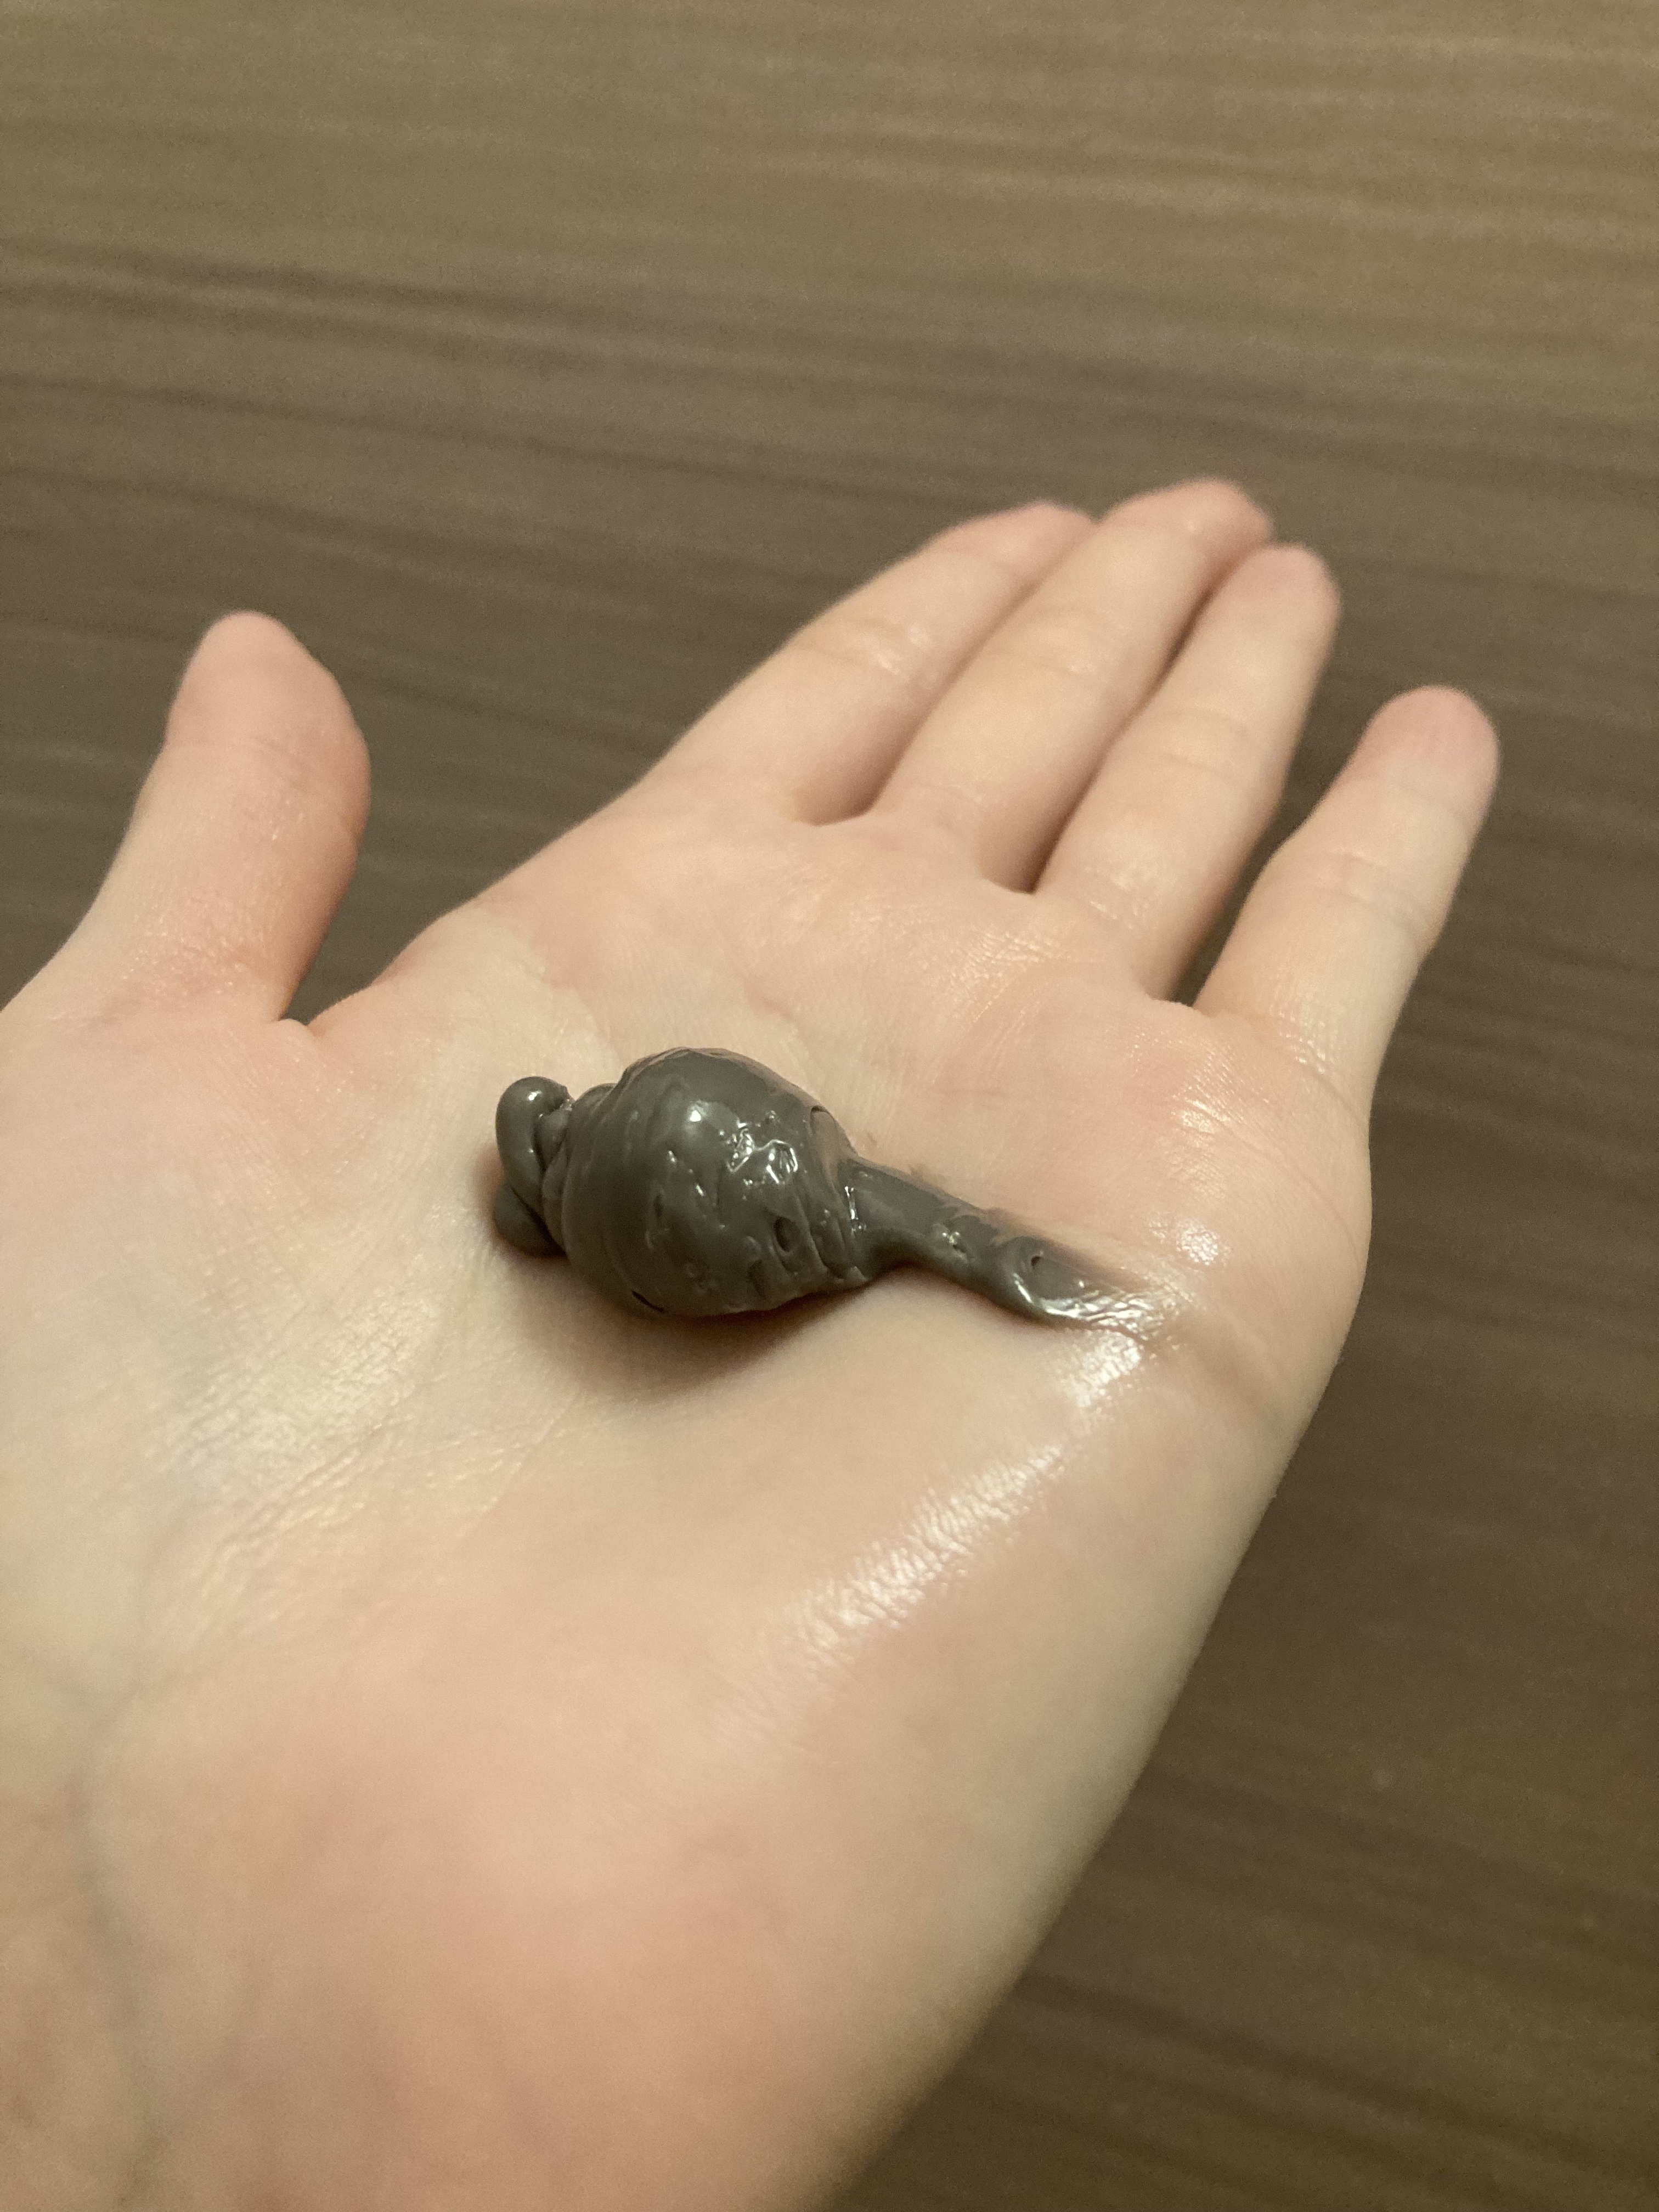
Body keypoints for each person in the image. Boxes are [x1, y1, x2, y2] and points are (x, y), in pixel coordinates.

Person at [0, 480, 1497, 2210]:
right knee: (892, 1226)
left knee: (890, 1225)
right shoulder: (583, 1197)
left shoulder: (593, 1189)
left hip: (781, 1206)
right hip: (775, 1206)